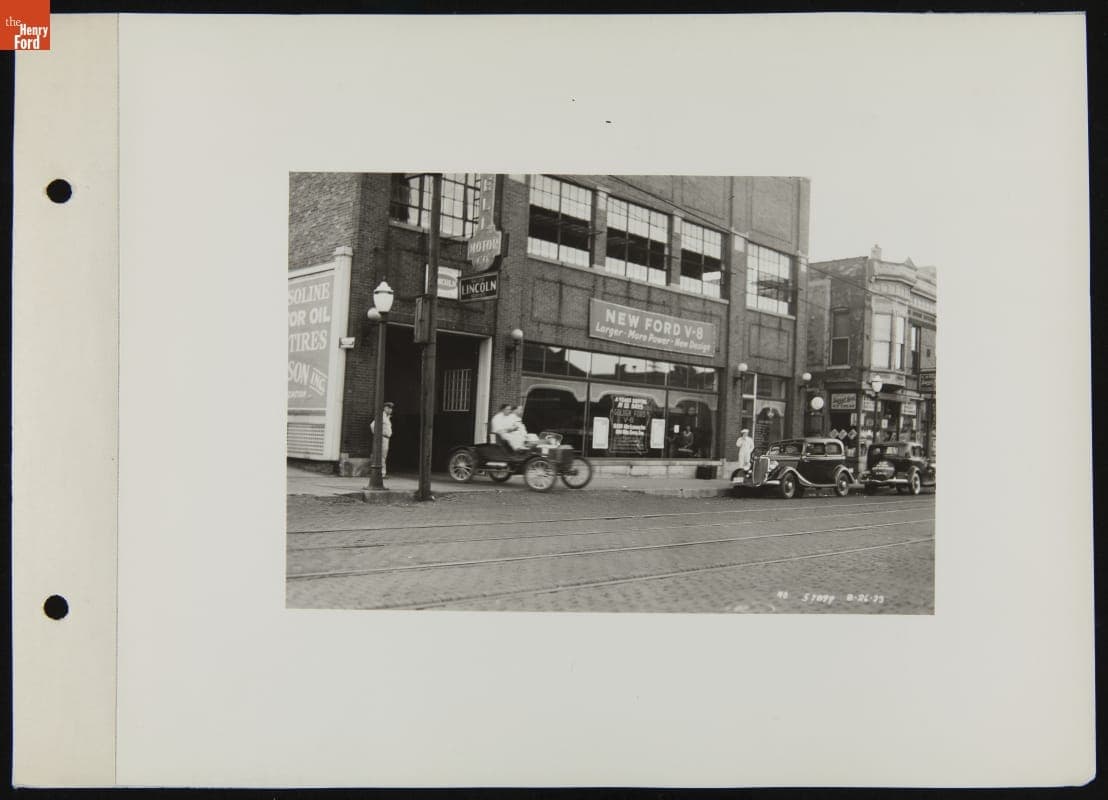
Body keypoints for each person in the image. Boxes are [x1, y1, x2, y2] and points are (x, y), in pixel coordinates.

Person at [369, 401, 394, 477]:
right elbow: (373, 425)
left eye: (391, 408)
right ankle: (382, 473)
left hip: (386, 438)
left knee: (383, 456)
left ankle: (382, 472)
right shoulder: (382, 416)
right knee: (382, 456)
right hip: (382, 438)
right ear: (385, 408)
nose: (390, 410)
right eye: (389, 408)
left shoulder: (387, 417)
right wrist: (378, 435)